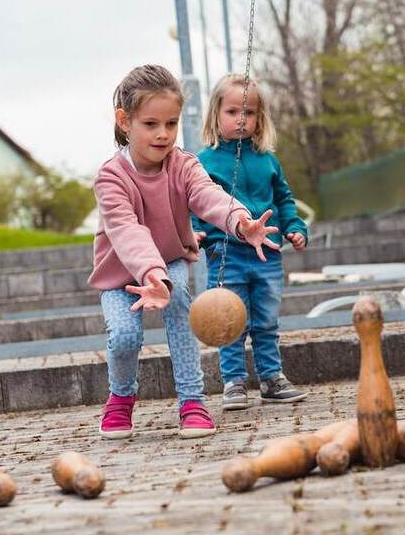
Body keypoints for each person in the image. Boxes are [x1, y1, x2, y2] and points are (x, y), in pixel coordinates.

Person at [88, 65, 280, 439]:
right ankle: (121, 398)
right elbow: (128, 232)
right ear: (124, 121)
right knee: (125, 337)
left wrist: (241, 221)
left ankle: (192, 402)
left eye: (171, 124)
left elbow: (208, 196)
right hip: (120, 276)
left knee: (178, 307)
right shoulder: (111, 176)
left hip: (170, 262)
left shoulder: (184, 164)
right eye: (150, 124)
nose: (163, 134)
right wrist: (150, 275)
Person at [193, 74, 309, 410]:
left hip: (268, 254)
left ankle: (272, 378)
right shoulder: (205, 161)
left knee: (266, 320)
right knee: (228, 319)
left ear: (261, 118)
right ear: (216, 114)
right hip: (225, 252)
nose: (241, 119)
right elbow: (194, 201)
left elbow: (284, 199)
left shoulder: (268, 160)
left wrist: (295, 226)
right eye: (232, 112)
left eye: (250, 113)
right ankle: (233, 382)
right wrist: (195, 229)